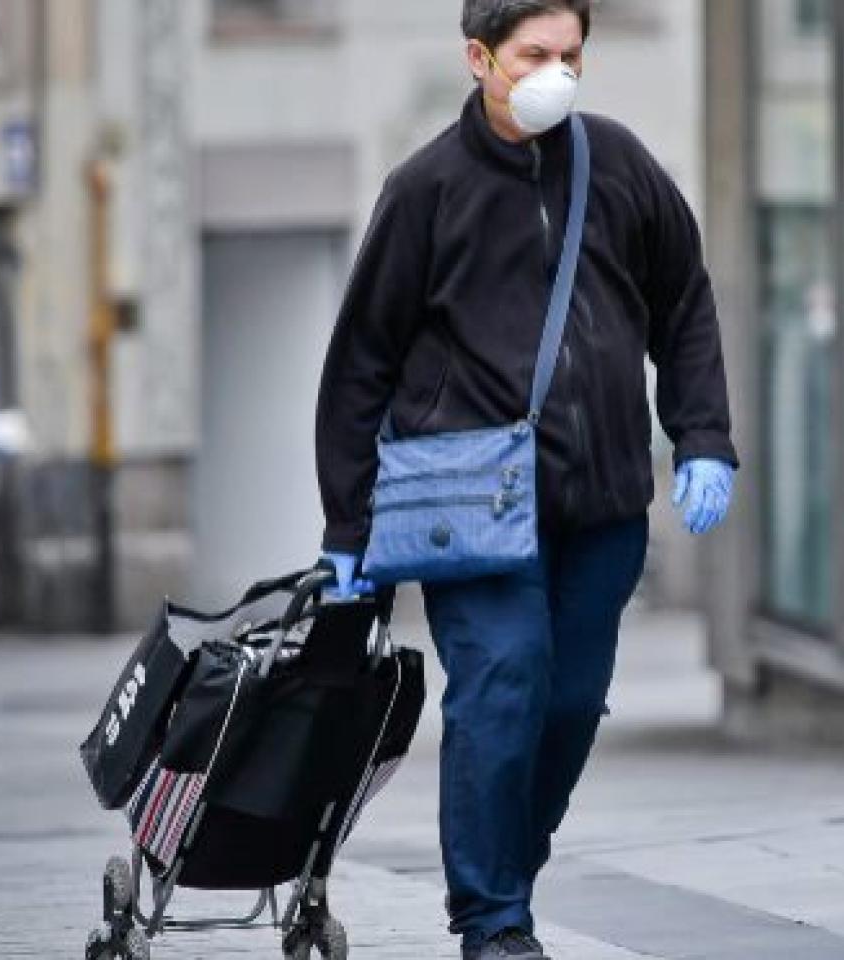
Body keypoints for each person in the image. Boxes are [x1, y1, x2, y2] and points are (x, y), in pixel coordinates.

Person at [312, 2, 738, 957]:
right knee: (502, 685)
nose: (557, 72)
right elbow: (361, 363)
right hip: (471, 512)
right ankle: (493, 921)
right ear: (479, 58)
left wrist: (703, 435)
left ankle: (506, 866)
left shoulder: (619, 165)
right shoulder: (425, 189)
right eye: (535, 54)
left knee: (571, 704)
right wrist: (349, 527)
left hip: (603, 508)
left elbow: (686, 301)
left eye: (572, 54)